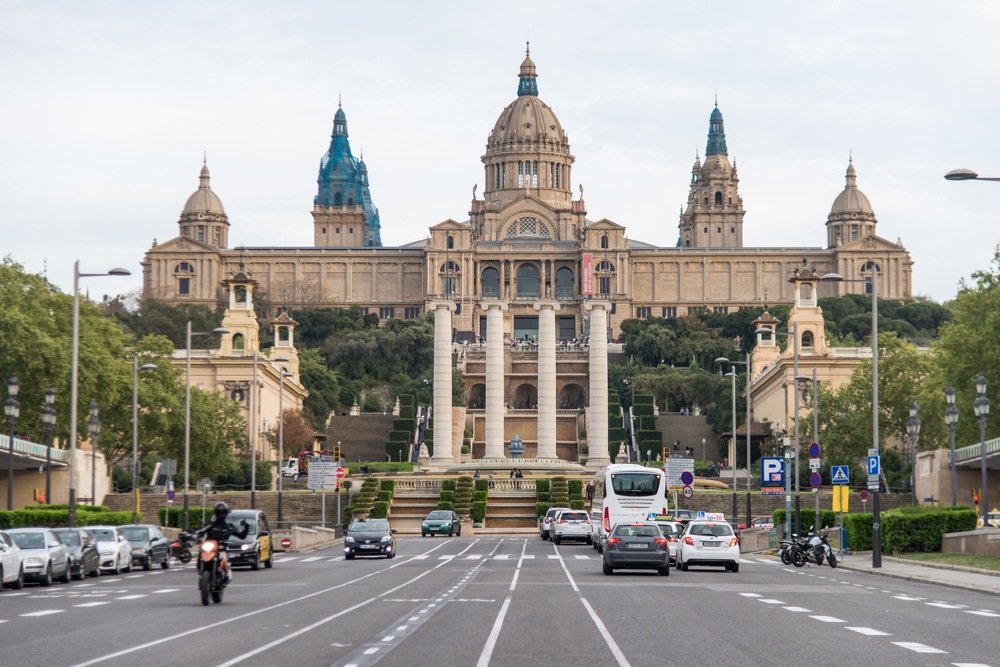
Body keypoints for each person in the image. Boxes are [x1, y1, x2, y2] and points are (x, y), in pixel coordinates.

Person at [194, 502, 249, 584]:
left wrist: (246, 527)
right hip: (211, 547)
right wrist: (195, 535)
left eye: (222, 512)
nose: (221, 514)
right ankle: (200, 574)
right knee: (201, 553)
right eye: (219, 512)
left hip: (221, 549)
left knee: (224, 557)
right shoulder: (210, 524)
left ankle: (226, 574)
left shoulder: (229, 527)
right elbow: (200, 530)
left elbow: (242, 536)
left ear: (226, 513)